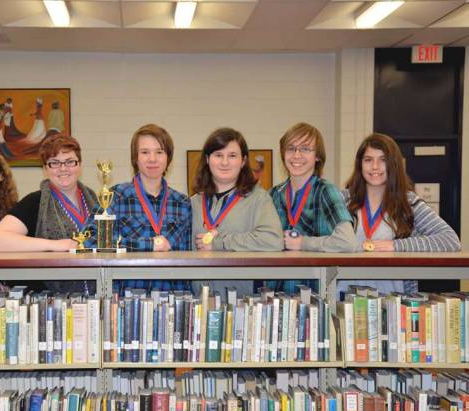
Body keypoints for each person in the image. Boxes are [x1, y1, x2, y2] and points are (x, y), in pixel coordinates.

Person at [339, 133, 461, 294]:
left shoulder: (409, 203)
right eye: (368, 160)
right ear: (360, 164)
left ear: (394, 164)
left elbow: (450, 240)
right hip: (343, 299)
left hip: (393, 302)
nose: (375, 166)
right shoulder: (341, 201)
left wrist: (395, 245)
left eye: (383, 160)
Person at [87, 124, 191, 292]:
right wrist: (148, 245)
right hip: (126, 299)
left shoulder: (183, 203)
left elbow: (189, 257)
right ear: (135, 158)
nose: (152, 159)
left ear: (168, 158)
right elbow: (91, 240)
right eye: (145, 152)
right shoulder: (115, 196)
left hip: (173, 300)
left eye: (159, 152)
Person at [190, 128, 283, 297]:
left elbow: (273, 240)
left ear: (243, 161)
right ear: (207, 159)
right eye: (218, 155)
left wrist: (220, 243)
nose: (225, 162)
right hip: (199, 301)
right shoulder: (194, 202)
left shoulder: (258, 199)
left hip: (244, 303)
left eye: (232, 156)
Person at [269, 122, 357, 292]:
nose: (296, 155)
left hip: (314, 293)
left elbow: (348, 243)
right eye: (291, 148)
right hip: (274, 291)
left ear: (317, 156)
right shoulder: (273, 194)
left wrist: (302, 243)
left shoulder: (326, 192)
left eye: (305, 149)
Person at [0, 134, 97, 253]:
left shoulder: (94, 200)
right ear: (45, 169)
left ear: (80, 165)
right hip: (53, 271)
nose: (63, 168)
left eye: (70, 162)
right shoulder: (34, 202)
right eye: (54, 163)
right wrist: (55, 245)